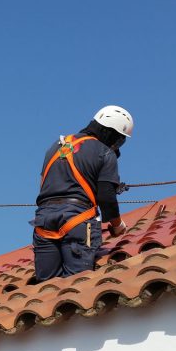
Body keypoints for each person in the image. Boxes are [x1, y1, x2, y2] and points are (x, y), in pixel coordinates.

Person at [31, 105, 133, 282]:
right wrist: (117, 225)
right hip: (78, 220)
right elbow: (106, 197)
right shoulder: (104, 152)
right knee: (77, 286)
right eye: (119, 139)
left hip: (43, 222)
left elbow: (46, 184)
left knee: (46, 290)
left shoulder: (55, 148)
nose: (117, 145)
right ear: (110, 132)